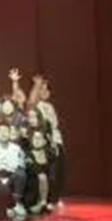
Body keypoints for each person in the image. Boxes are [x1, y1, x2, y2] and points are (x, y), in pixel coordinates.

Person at [29, 75, 65, 210]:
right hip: (42, 143)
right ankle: (45, 200)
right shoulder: (35, 106)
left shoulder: (50, 106)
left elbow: (54, 125)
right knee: (46, 173)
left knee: (56, 172)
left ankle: (55, 198)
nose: (44, 92)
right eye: (41, 89)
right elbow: (32, 100)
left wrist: (56, 142)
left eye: (46, 90)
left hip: (55, 140)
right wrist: (37, 85)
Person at [0, 124, 27, 220]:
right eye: (1, 131)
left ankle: (15, 203)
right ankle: (1, 206)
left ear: (10, 133)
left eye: (6, 131)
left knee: (21, 174)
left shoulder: (16, 148)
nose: (3, 134)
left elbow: (21, 165)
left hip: (11, 177)